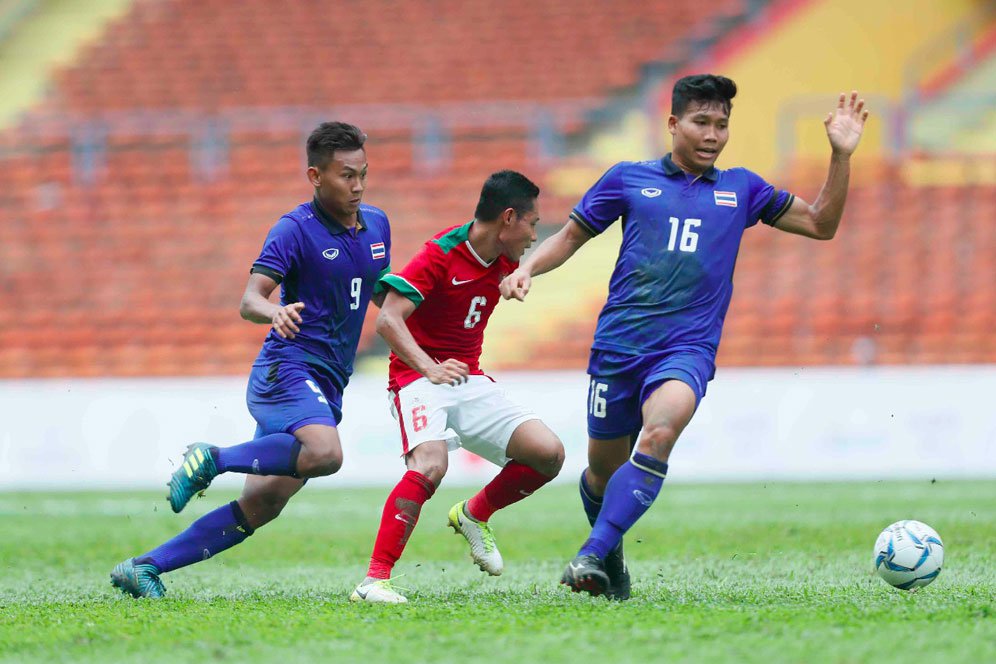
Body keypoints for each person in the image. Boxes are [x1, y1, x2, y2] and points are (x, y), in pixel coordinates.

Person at [500, 75, 869, 599]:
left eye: (722, 125)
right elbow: (569, 236)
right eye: (701, 122)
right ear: (673, 124)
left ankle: (589, 552)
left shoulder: (742, 188)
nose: (713, 134)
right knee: (602, 474)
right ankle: (610, 559)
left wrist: (840, 156)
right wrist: (528, 268)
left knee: (659, 433)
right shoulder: (628, 179)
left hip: (686, 350)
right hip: (618, 347)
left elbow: (821, 224)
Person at [110, 121, 392, 598]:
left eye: (363, 173)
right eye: (346, 175)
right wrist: (275, 310)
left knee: (261, 505)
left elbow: (383, 295)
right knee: (325, 454)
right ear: (315, 176)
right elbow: (250, 299)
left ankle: (144, 568)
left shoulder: (379, 224)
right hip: (287, 369)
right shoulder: (294, 229)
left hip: (329, 380)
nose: (358, 185)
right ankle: (212, 458)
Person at [350, 170, 565, 604]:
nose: (534, 234)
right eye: (532, 224)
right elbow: (388, 319)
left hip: (467, 377)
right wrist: (428, 367)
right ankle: (374, 581)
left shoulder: (505, 260)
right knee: (430, 464)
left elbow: (547, 255)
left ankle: (474, 514)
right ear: (509, 218)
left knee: (548, 454)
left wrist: (525, 273)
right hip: (416, 377)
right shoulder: (439, 255)